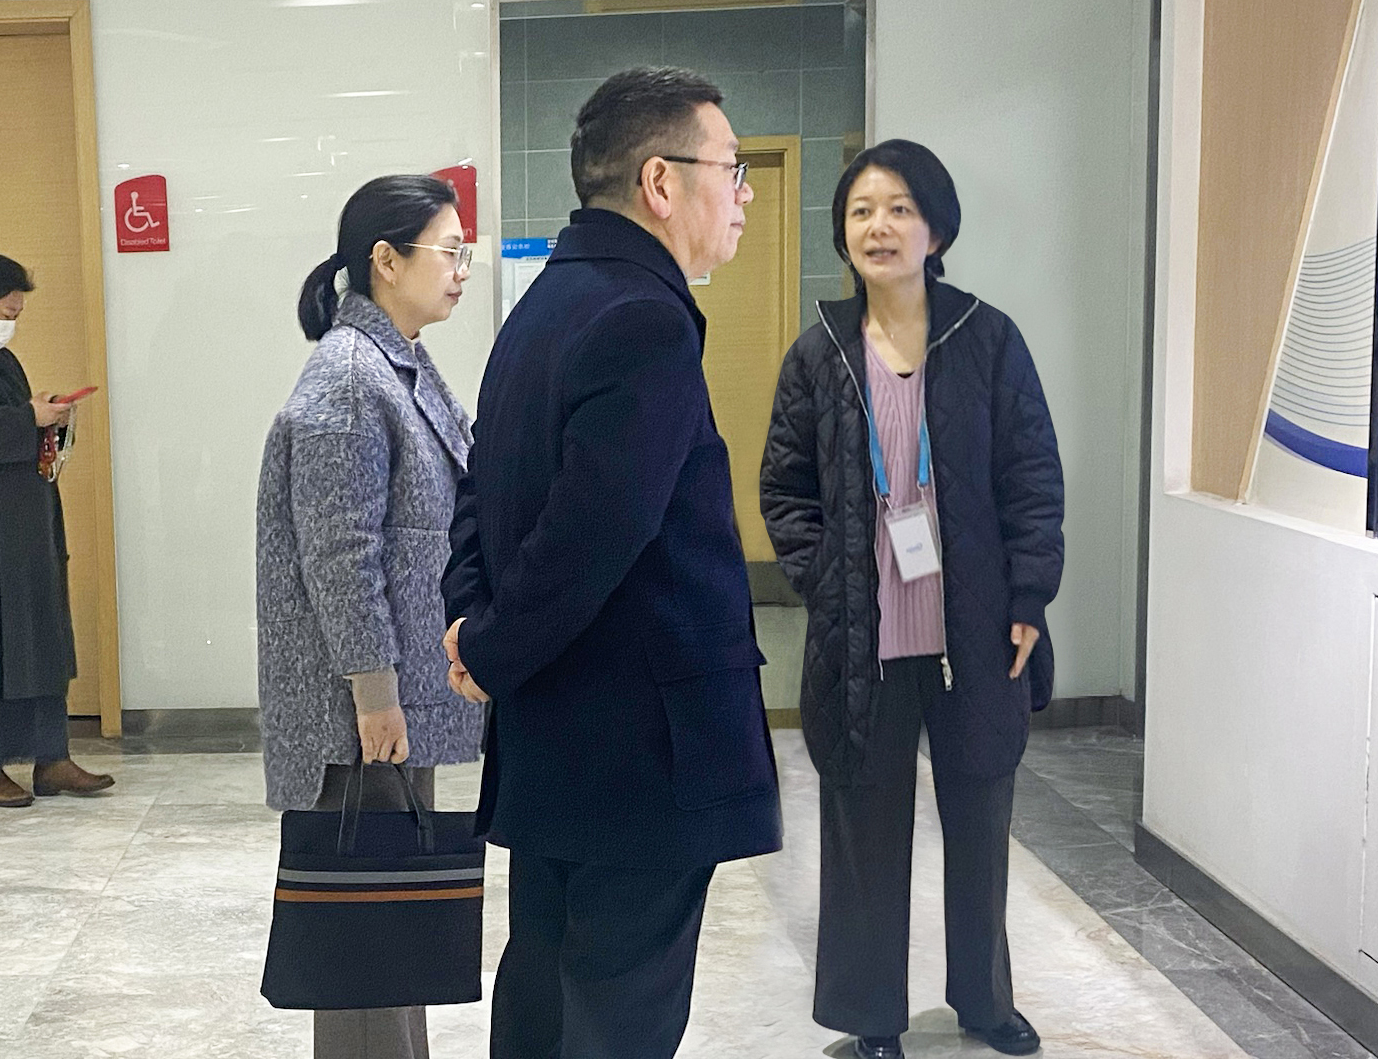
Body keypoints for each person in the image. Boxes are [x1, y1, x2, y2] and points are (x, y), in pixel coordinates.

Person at [440, 66, 781, 1059]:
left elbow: (479, 491)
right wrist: (489, 649)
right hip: (641, 757)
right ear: (660, 182)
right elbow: (593, 533)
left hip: (558, 742)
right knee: (616, 1018)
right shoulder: (644, 318)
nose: (743, 194)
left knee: (544, 1003)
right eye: (730, 168)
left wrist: (471, 624)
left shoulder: (545, 303)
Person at [758, 139, 1065, 1059]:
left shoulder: (986, 338)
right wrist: (826, 580)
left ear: (936, 228)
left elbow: (1031, 475)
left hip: (973, 632)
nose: (878, 226)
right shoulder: (818, 353)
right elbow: (784, 491)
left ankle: (984, 1000)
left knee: (980, 823)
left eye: (898, 208)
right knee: (862, 834)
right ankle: (870, 1018)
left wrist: (1028, 592)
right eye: (860, 211)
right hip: (865, 639)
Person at [255, 173, 485, 1059]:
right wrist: (374, 690)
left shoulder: (396, 362)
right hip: (358, 706)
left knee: (393, 921)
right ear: (386, 260)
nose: (460, 269)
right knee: (367, 937)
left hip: (394, 693)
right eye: (448, 251)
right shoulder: (350, 379)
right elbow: (338, 555)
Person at [0, 246, 115, 807]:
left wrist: (43, 414)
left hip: (26, 522)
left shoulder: (1, 359)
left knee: (41, 633)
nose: (11, 322)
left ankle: (51, 757)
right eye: (6, 311)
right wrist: (25, 418)